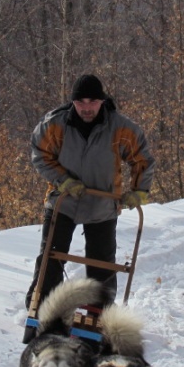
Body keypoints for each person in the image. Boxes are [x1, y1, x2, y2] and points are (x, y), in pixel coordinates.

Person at [25, 73, 155, 313]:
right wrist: (63, 181)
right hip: (63, 202)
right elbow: (40, 153)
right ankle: (42, 308)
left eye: (93, 102)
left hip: (102, 205)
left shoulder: (120, 128)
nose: (87, 108)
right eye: (81, 102)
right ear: (73, 102)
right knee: (50, 259)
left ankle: (99, 314)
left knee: (101, 264)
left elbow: (142, 158)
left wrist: (138, 191)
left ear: (102, 101)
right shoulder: (55, 125)